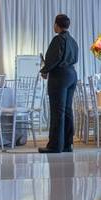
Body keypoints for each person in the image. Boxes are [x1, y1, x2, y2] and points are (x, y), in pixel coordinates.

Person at [39, 14, 79, 153]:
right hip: (72, 75)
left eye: (54, 24)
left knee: (57, 111)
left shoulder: (58, 39)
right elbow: (74, 58)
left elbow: (53, 58)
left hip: (60, 76)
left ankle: (55, 146)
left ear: (57, 25)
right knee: (67, 110)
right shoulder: (73, 41)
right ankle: (68, 145)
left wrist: (44, 70)